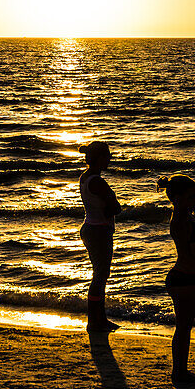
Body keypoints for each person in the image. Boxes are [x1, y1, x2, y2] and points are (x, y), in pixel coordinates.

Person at [158, 174, 195, 385]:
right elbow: (186, 252)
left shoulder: (188, 216)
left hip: (188, 277)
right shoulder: (180, 220)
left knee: (185, 328)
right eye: (191, 197)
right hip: (184, 278)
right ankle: (179, 372)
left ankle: (181, 370)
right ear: (178, 198)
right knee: (183, 328)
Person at [79, 141, 121, 333]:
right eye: (107, 155)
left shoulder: (86, 177)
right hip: (98, 230)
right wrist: (112, 203)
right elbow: (115, 208)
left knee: (100, 274)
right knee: (100, 275)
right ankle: (96, 320)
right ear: (99, 158)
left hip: (92, 227)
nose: (110, 158)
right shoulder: (97, 181)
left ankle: (98, 319)